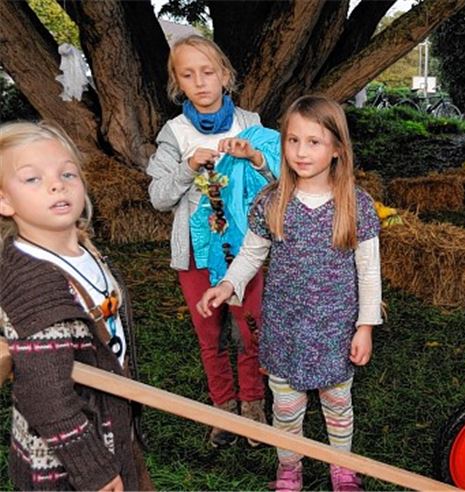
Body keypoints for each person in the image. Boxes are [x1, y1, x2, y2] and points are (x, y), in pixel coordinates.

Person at [197, 95, 382, 492]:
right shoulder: (271, 201)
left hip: (336, 329)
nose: (301, 152)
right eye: (292, 140)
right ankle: (289, 468)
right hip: (285, 329)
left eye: (314, 142)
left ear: (336, 149)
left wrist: (365, 326)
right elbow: (250, 254)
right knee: (286, 407)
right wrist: (228, 284)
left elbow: (369, 273)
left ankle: (342, 467)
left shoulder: (356, 205)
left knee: (337, 404)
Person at [0, 121, 151, 491]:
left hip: (112, 429)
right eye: (32, 179)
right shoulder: (33, 283)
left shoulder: (85, 251)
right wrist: (93, 469)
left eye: (67, 172)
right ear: (4, 201)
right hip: (67, 464)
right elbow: (45, 394)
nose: (57, 184)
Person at [146, 34, 272, 448]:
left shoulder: (250, 124)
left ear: (224, 75)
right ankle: (223, 409)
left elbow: (276, 184)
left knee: (248, 328)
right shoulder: (174, 133)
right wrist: (186, 168)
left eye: (207, 72)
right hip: (197, 256)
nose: (200, 82)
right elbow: (159, 197)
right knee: (211, 333)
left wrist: (255, 159)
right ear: (177, 82)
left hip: (245, 253)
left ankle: (253, 405)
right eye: (188, 75)